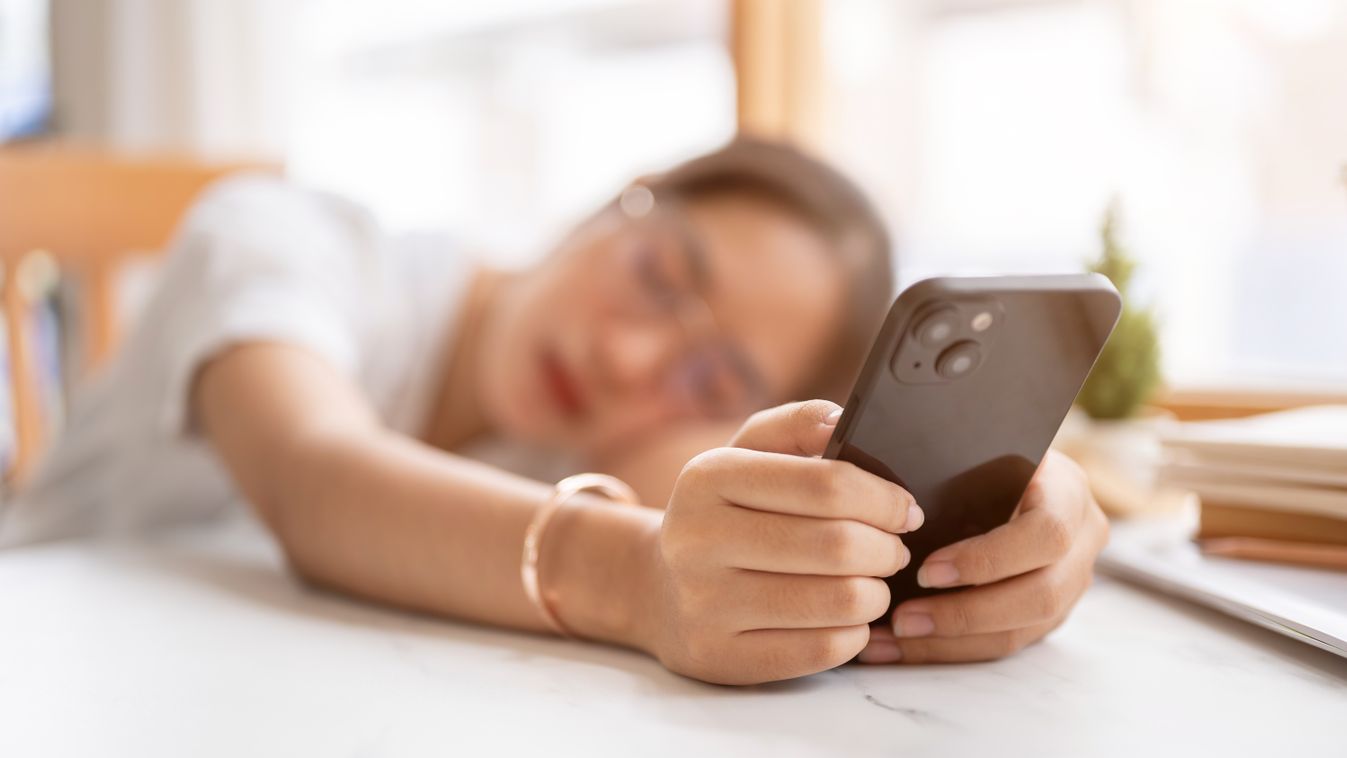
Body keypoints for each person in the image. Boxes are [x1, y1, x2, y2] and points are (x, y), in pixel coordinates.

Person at [0, 137, 1107, 685]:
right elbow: (313, 472)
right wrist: (640, 578)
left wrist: (975, 518)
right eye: (662, 273)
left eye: (714, 377)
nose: (630, 354)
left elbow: (741, 499)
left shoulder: (576, 446)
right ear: (617, 202)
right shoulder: (284, 238)